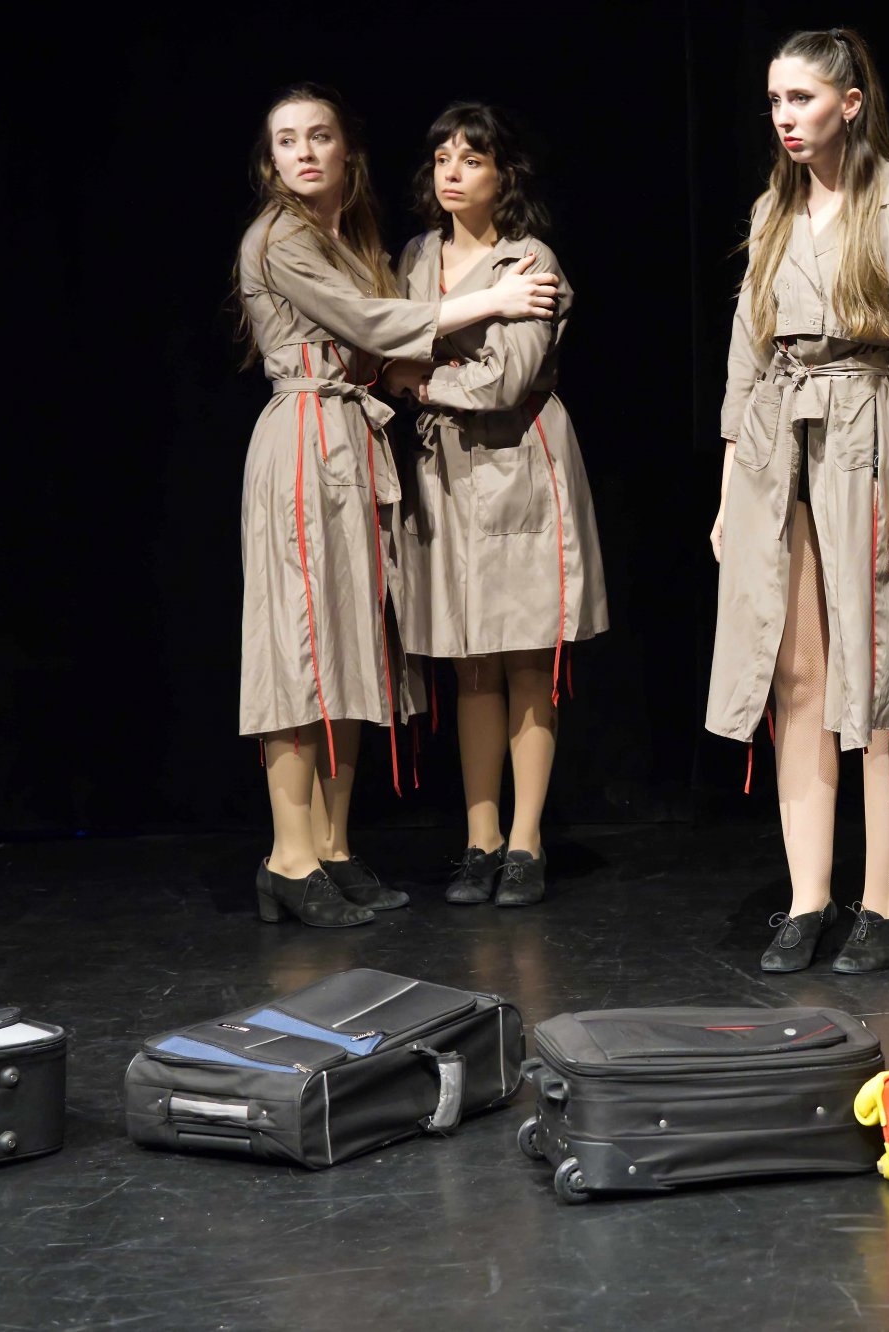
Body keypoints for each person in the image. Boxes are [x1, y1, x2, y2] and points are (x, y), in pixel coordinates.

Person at [236, 84, 558, 927]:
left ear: (347, 149)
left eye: (319, 136)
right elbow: (375, 325)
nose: (305, 152)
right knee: (300, 643)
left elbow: (387, 342)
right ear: (270, 162)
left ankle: (333, 846)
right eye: (286, 141)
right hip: (306, 433)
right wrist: (492, 300)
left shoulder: (352, 240)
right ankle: (289, 856)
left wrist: (408, 375)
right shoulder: (278, 239)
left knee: (353, 644)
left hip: (356, 438)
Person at [707, 28, 889, 974]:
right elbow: (745, 358)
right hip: (779, 444)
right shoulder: (772, 211)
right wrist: (731, 493)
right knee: (798, 676)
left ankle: (883, 898)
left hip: (868, 436)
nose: (785, 117)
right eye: (776, 100)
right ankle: (807, 896)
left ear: (849, 104)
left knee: (881, 671)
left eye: (803, 99)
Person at [384, 104, 608, 908]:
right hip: (443, 474)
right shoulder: (417, 256)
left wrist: (424, 381)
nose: (452, 172)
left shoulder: (529, 259)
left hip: (518, 466)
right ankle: (480, 840)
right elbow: (386, 346)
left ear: (503, 174)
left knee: (524, 659)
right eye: (442, 157)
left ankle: (525, 842)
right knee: (469, 662)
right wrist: (412, 370)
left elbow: (507, 379)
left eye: (471, 160)